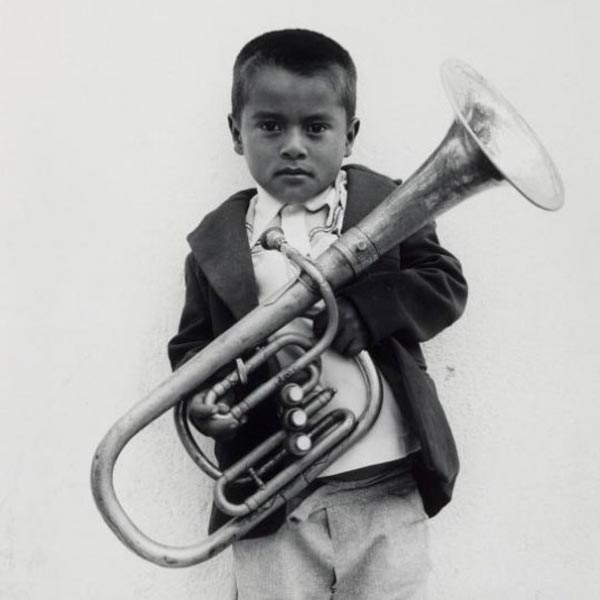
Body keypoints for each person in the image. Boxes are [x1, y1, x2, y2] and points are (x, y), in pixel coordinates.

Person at [168, 29, 468, 600]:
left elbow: (444, 283)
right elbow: (193, 350)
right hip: (273, 496)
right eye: (271, 126)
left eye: (316, 127)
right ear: (237, 133)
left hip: (385, 481)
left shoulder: (389, 204)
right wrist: (206, 400)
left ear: (349, 135)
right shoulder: (213, 244)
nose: (294, 145)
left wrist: (366, 311)